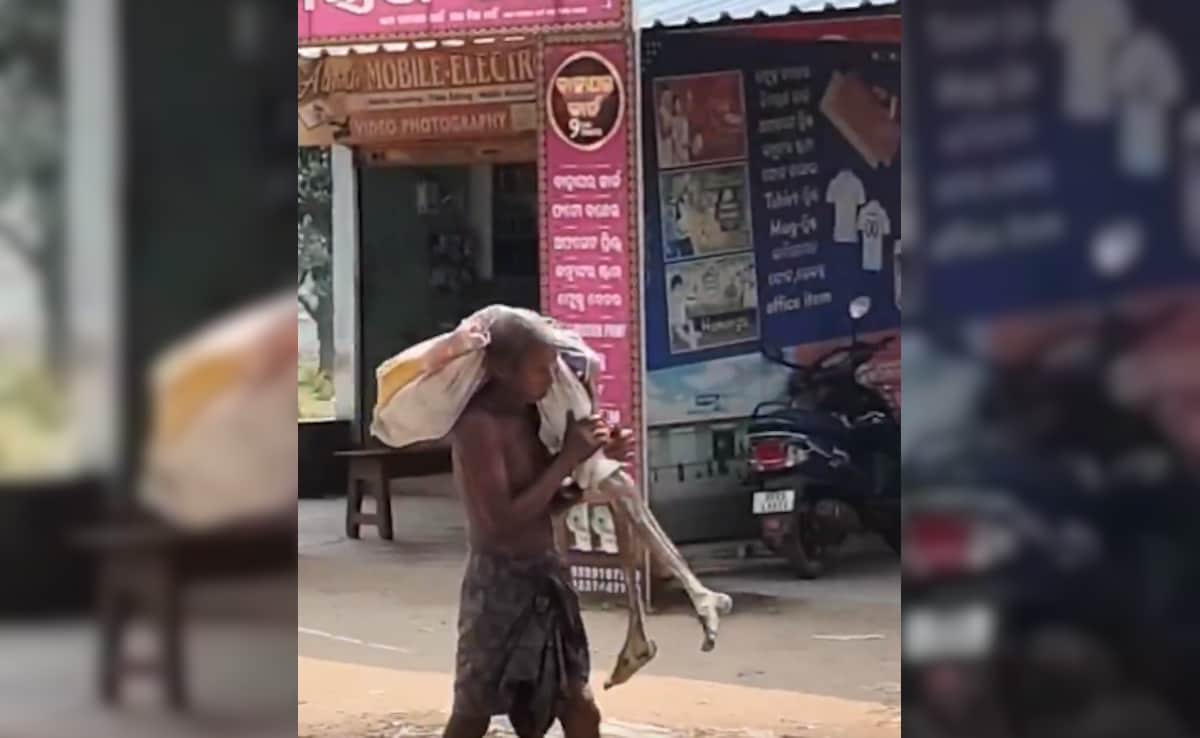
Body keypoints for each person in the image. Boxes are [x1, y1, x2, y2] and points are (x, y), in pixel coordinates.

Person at [444, 314, 634, 738]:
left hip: (546, 576)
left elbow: (547, 502)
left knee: (579, 706)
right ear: (502, 369)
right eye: (539, 369)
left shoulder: (532, 417)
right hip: (498, 584)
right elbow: (500, 521)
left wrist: (594, 465)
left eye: (552, 367)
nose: (550, 379)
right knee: (474, 709)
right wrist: (567, 459)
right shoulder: (478, 425)